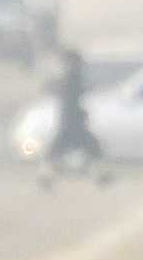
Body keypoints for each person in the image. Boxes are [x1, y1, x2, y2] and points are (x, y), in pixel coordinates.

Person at [41, 45, 106, 188]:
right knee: (92, 150)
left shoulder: (67, 77)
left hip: (69, 122)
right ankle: (46, 178)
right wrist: (81, 113)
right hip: (73, 123)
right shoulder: (73, 78)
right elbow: (72, 102)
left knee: (57, 153)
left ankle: (46, 178)